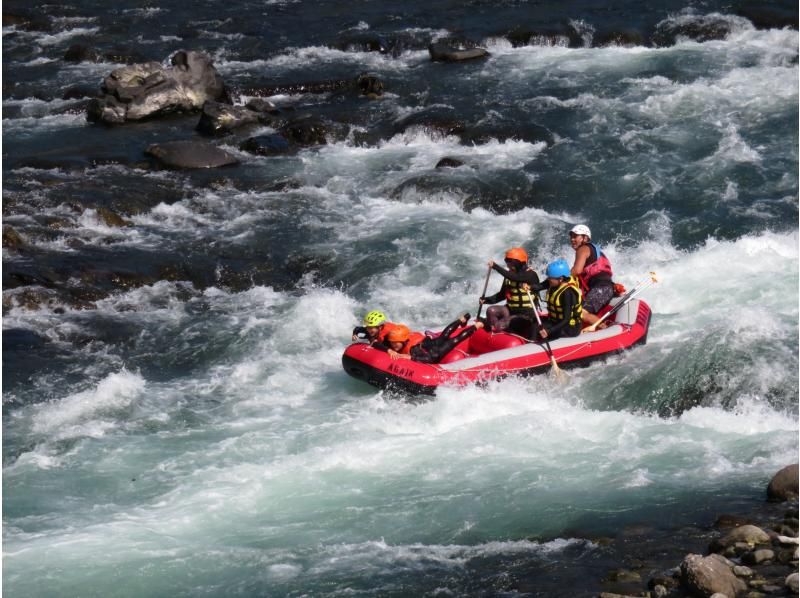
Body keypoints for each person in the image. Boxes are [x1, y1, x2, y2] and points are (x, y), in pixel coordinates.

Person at [480, 247, 544, 335]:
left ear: (519, 263)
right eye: (507, 262)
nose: (508, 265)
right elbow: (501, 295)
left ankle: (505, 331)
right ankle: (495, 332)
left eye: (511, 262)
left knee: (500, 325)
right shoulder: (509, 275)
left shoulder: (530, 275)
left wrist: (495, 266)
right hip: (511, 310)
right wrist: (486, 300)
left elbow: (516, 278)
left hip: (527, 315)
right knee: (491, 311)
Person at [378, 313, 484, 363]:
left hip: (435, 352)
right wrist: (388, 349)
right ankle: (461, 319)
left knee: (455, 340)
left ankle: (476, 326)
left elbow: (429, 359)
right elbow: (378, 343)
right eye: (392, 343)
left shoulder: (412, 350)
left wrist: (411, 358)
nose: (394, 345)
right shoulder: (392, 342)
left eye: (396, 343)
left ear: (405, 341)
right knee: (444, 335)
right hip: (427, 344)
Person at [568, 224, 614, 328]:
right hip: (605, 287)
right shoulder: (594, 251)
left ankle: (605, 329)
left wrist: (560, 279)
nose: (572, 239)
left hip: (601, 289)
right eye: (571, 236)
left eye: (576, 236)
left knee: (582, 313)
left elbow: (577, 270)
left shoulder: (583, 249)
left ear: (585, 238)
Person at [538, 259, 582, 341]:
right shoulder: (554, 283)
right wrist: (529, 287)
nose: (548, 280)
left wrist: (549, 331)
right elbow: (539, 286)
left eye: (550, 278)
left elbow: (566, 319)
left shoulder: (567, 293)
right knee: (536, 325)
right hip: (556, 322)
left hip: (570, 328)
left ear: (561, 279)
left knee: (541, 331)